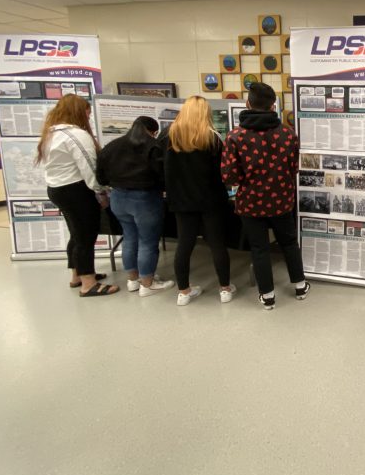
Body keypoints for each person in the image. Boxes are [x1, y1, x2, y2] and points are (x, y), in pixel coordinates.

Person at [221, 82, 309, 310]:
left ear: (247, 103)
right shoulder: (288, 134)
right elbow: (294, 169)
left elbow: (229, 176)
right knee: (289, 243)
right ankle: (300, 286)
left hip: (251, 203)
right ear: (273, 107)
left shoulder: (235, 137)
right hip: (281, 200)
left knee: (259, 249)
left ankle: (267, 296)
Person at [36, 94, 118, 296]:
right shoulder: (77, 135)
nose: (88, 118)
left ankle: (77, 275)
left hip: (57, 189)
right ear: (78, 113)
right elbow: (90, 168)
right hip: (76, 190)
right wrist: (103, 191)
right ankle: (88, 284)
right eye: (87, 114)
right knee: (86, 235)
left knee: (75, 232)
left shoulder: (51, 133)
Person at [163, 96, 236, 306]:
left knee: (184, 244)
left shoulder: (171, 137)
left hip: (182, 201)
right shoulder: (212, 138)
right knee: (217, 244)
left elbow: (166, 171)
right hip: (210, 200)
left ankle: (184, 292)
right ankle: (225, 289)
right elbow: (222, 173)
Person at [97, 116, 174, 297]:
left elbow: (101, 177)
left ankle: (133, 279)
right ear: (152, 131)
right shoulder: (153, 147)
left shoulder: (112, 146)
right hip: (144, 199)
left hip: (118, 197)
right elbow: (163, 175)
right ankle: (147, 283)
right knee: (147, 241)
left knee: (129, 237)